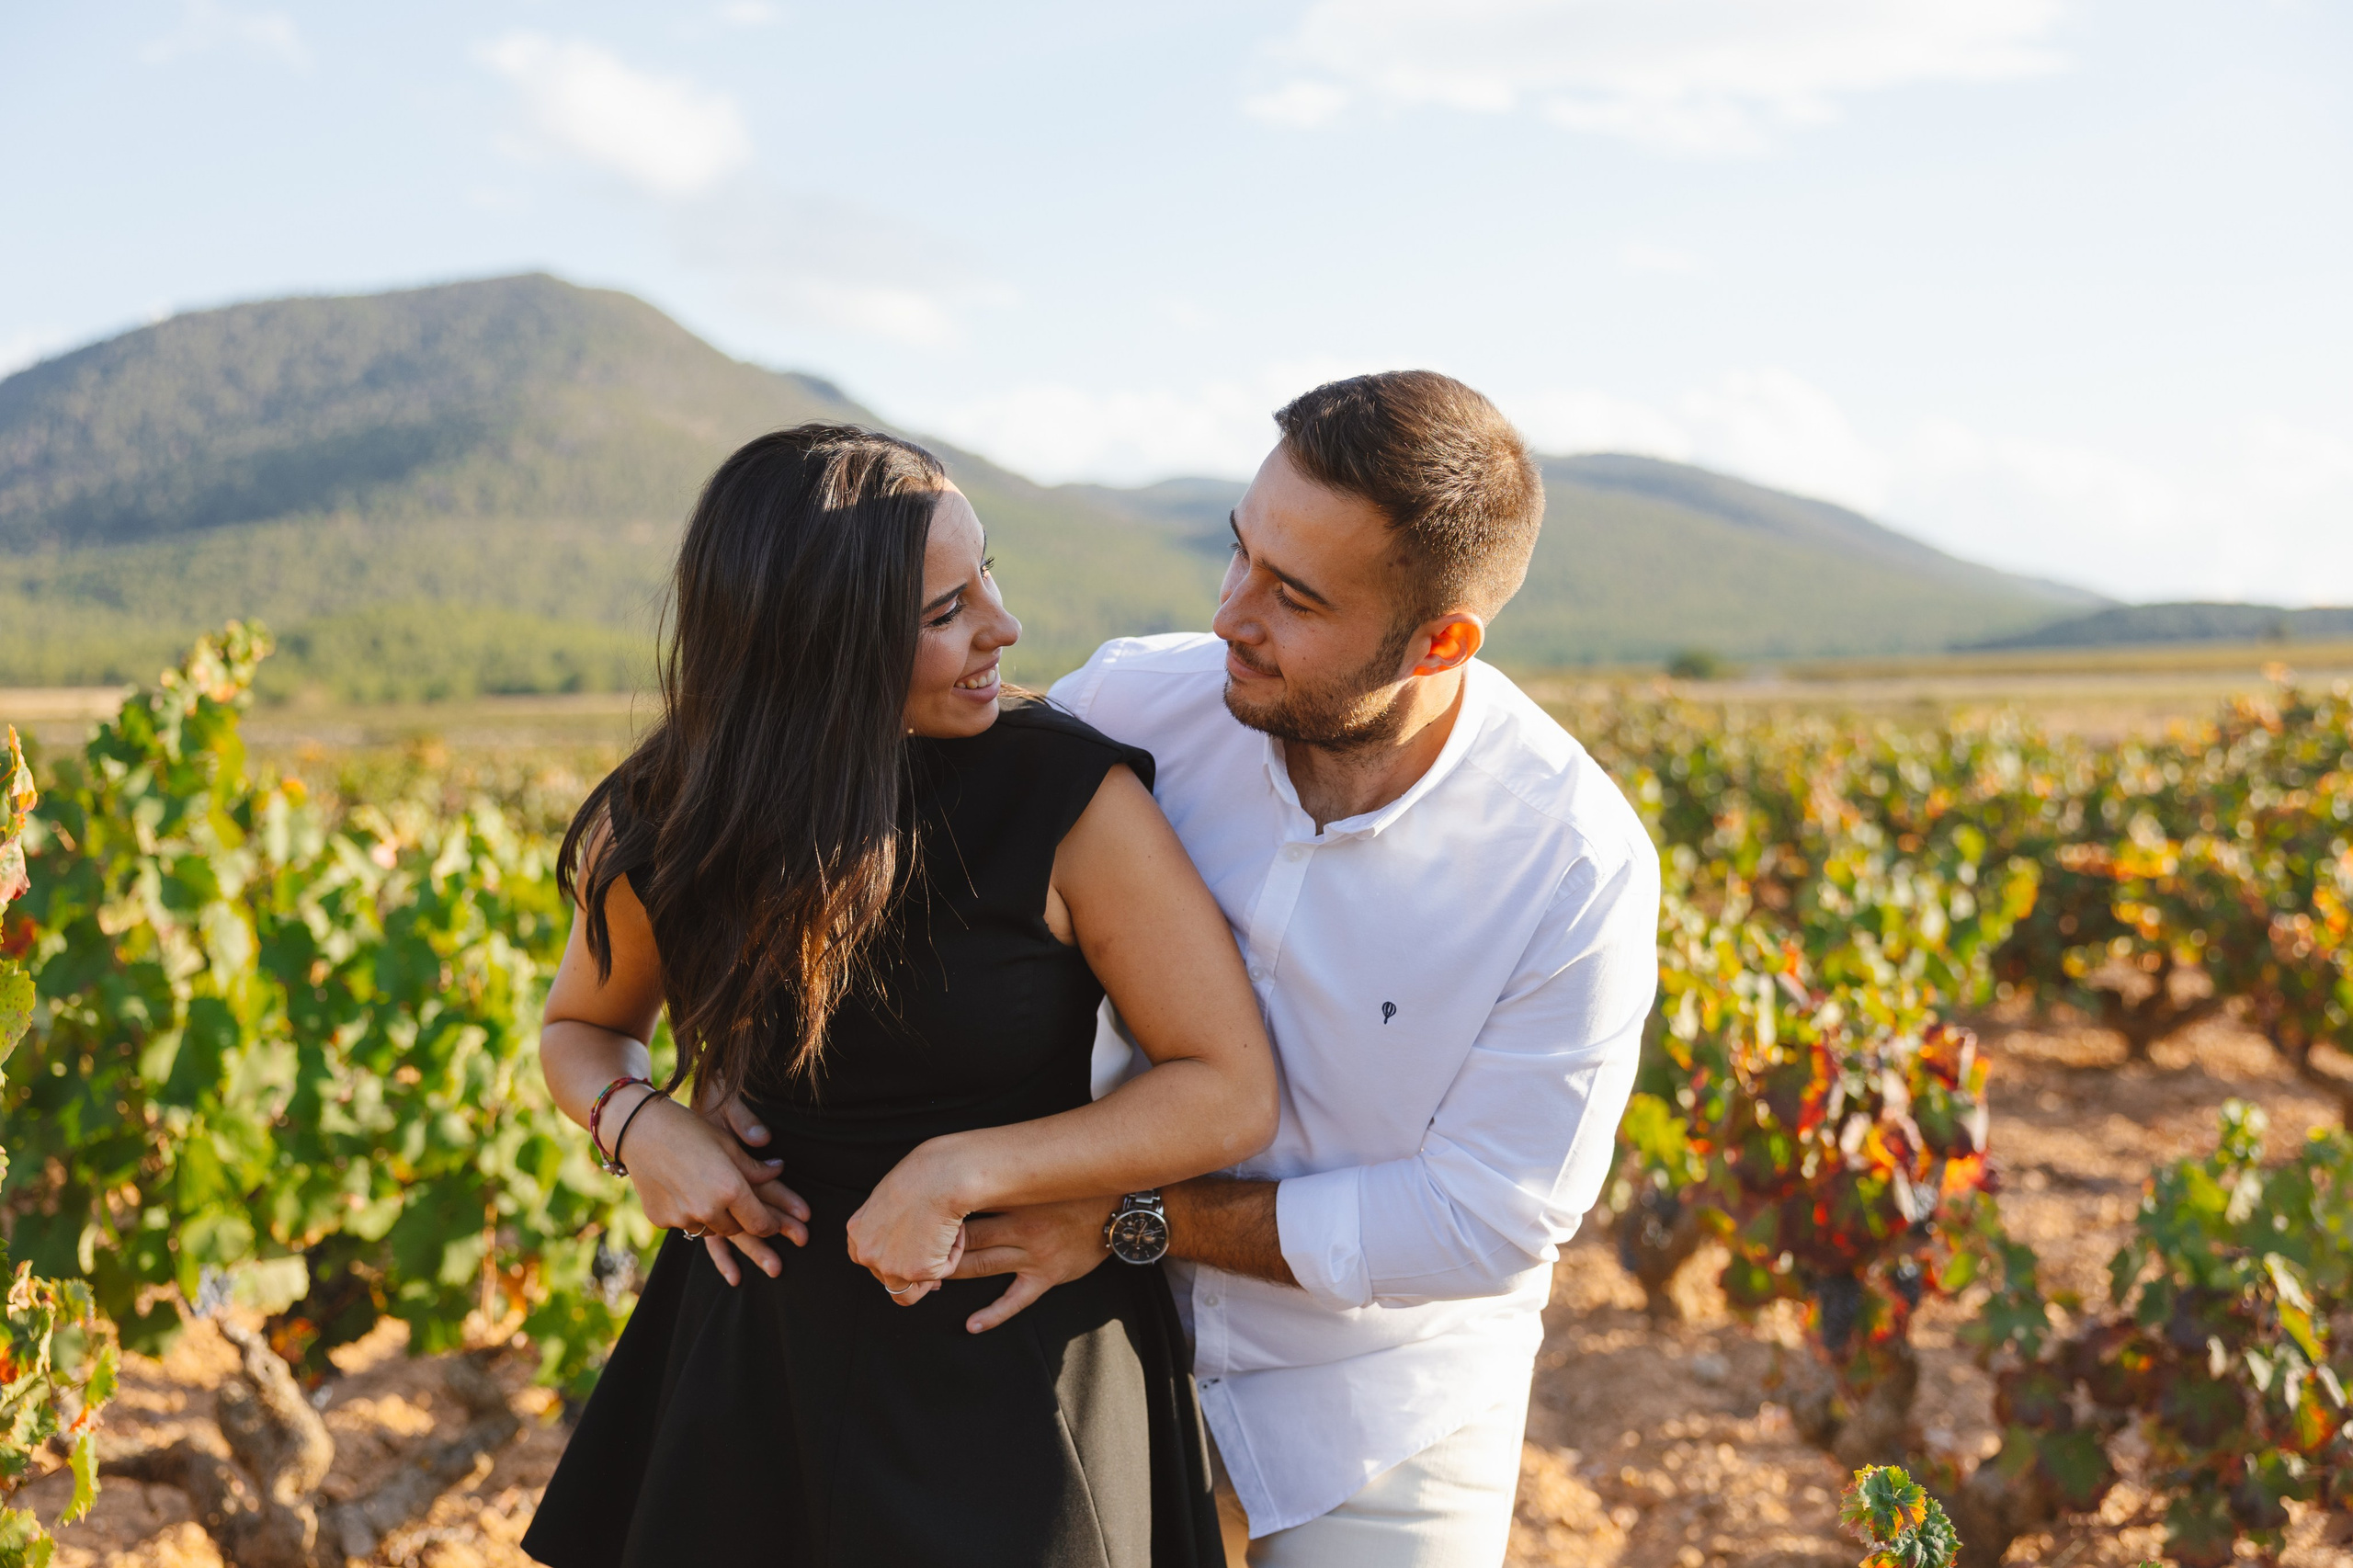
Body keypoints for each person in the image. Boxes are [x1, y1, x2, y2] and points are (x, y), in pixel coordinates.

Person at [519, 425, 1279, 1568]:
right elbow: (582, 1031)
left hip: (1008, 1359)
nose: (1002, 626)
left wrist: (960, 1168)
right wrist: (640, 1124)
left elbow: (1227, 1091)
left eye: (988, 576)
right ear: (813, 647)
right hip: (752, 1354)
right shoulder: (676, 816)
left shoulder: (1063, 796)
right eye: (941, 612)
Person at [936, 372, 1661, 1566]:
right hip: (1098, 1334)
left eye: (1294, 595)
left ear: (1442, 641)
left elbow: (1482, 1219)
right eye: (1239, 551)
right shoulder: (1131, 709)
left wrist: (1131, 1215)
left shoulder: (1571, 863)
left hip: (1381, 1400)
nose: (1230, 612)